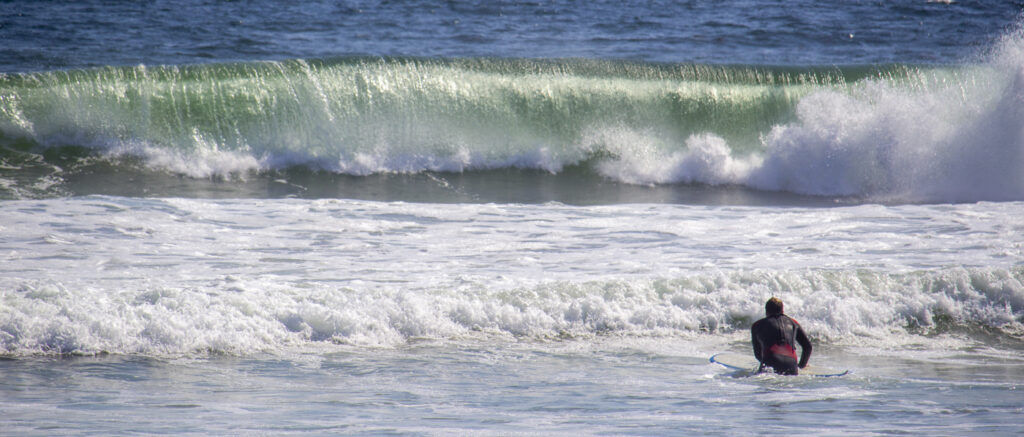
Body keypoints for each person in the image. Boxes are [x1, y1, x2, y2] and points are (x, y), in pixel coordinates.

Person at [751, 297, 811, 375]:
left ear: (766, 311)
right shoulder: (794, 323)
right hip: (791, 364)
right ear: (782, 310)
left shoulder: (757, 325)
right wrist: (800, 366)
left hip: (771, 361)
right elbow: (808, 347)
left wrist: (766, 364)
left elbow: (758, 354)